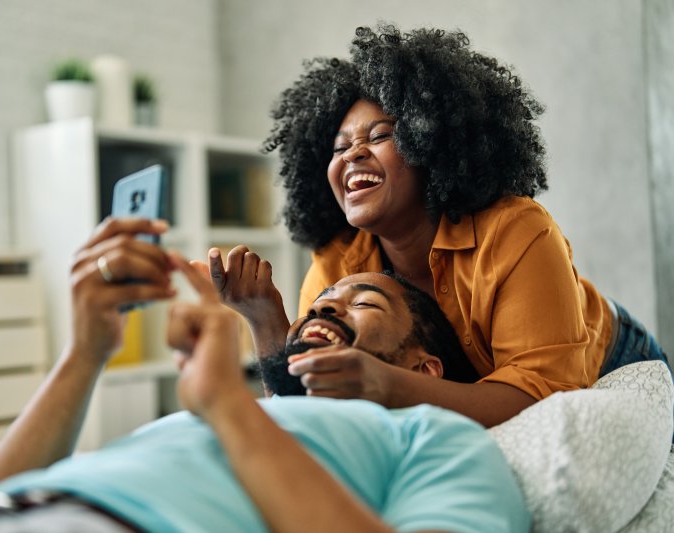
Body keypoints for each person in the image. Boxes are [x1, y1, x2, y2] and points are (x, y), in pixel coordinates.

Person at [0, 218, 530, 533]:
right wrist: (86, 352)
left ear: (425, 365)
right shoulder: (239, 407)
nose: (326, 302)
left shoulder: (439, 441)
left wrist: (227, 404)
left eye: (365, 301)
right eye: (322, 302)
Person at [205, 24, 671, 428]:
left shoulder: (517, 230)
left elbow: (542, 399)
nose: (351, 155)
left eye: (380, 135)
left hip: (608, 354)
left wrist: (388, 385)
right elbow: (305, 410)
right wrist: (266, 323)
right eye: (338, 147)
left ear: (432, 144)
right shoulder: (337, 260)